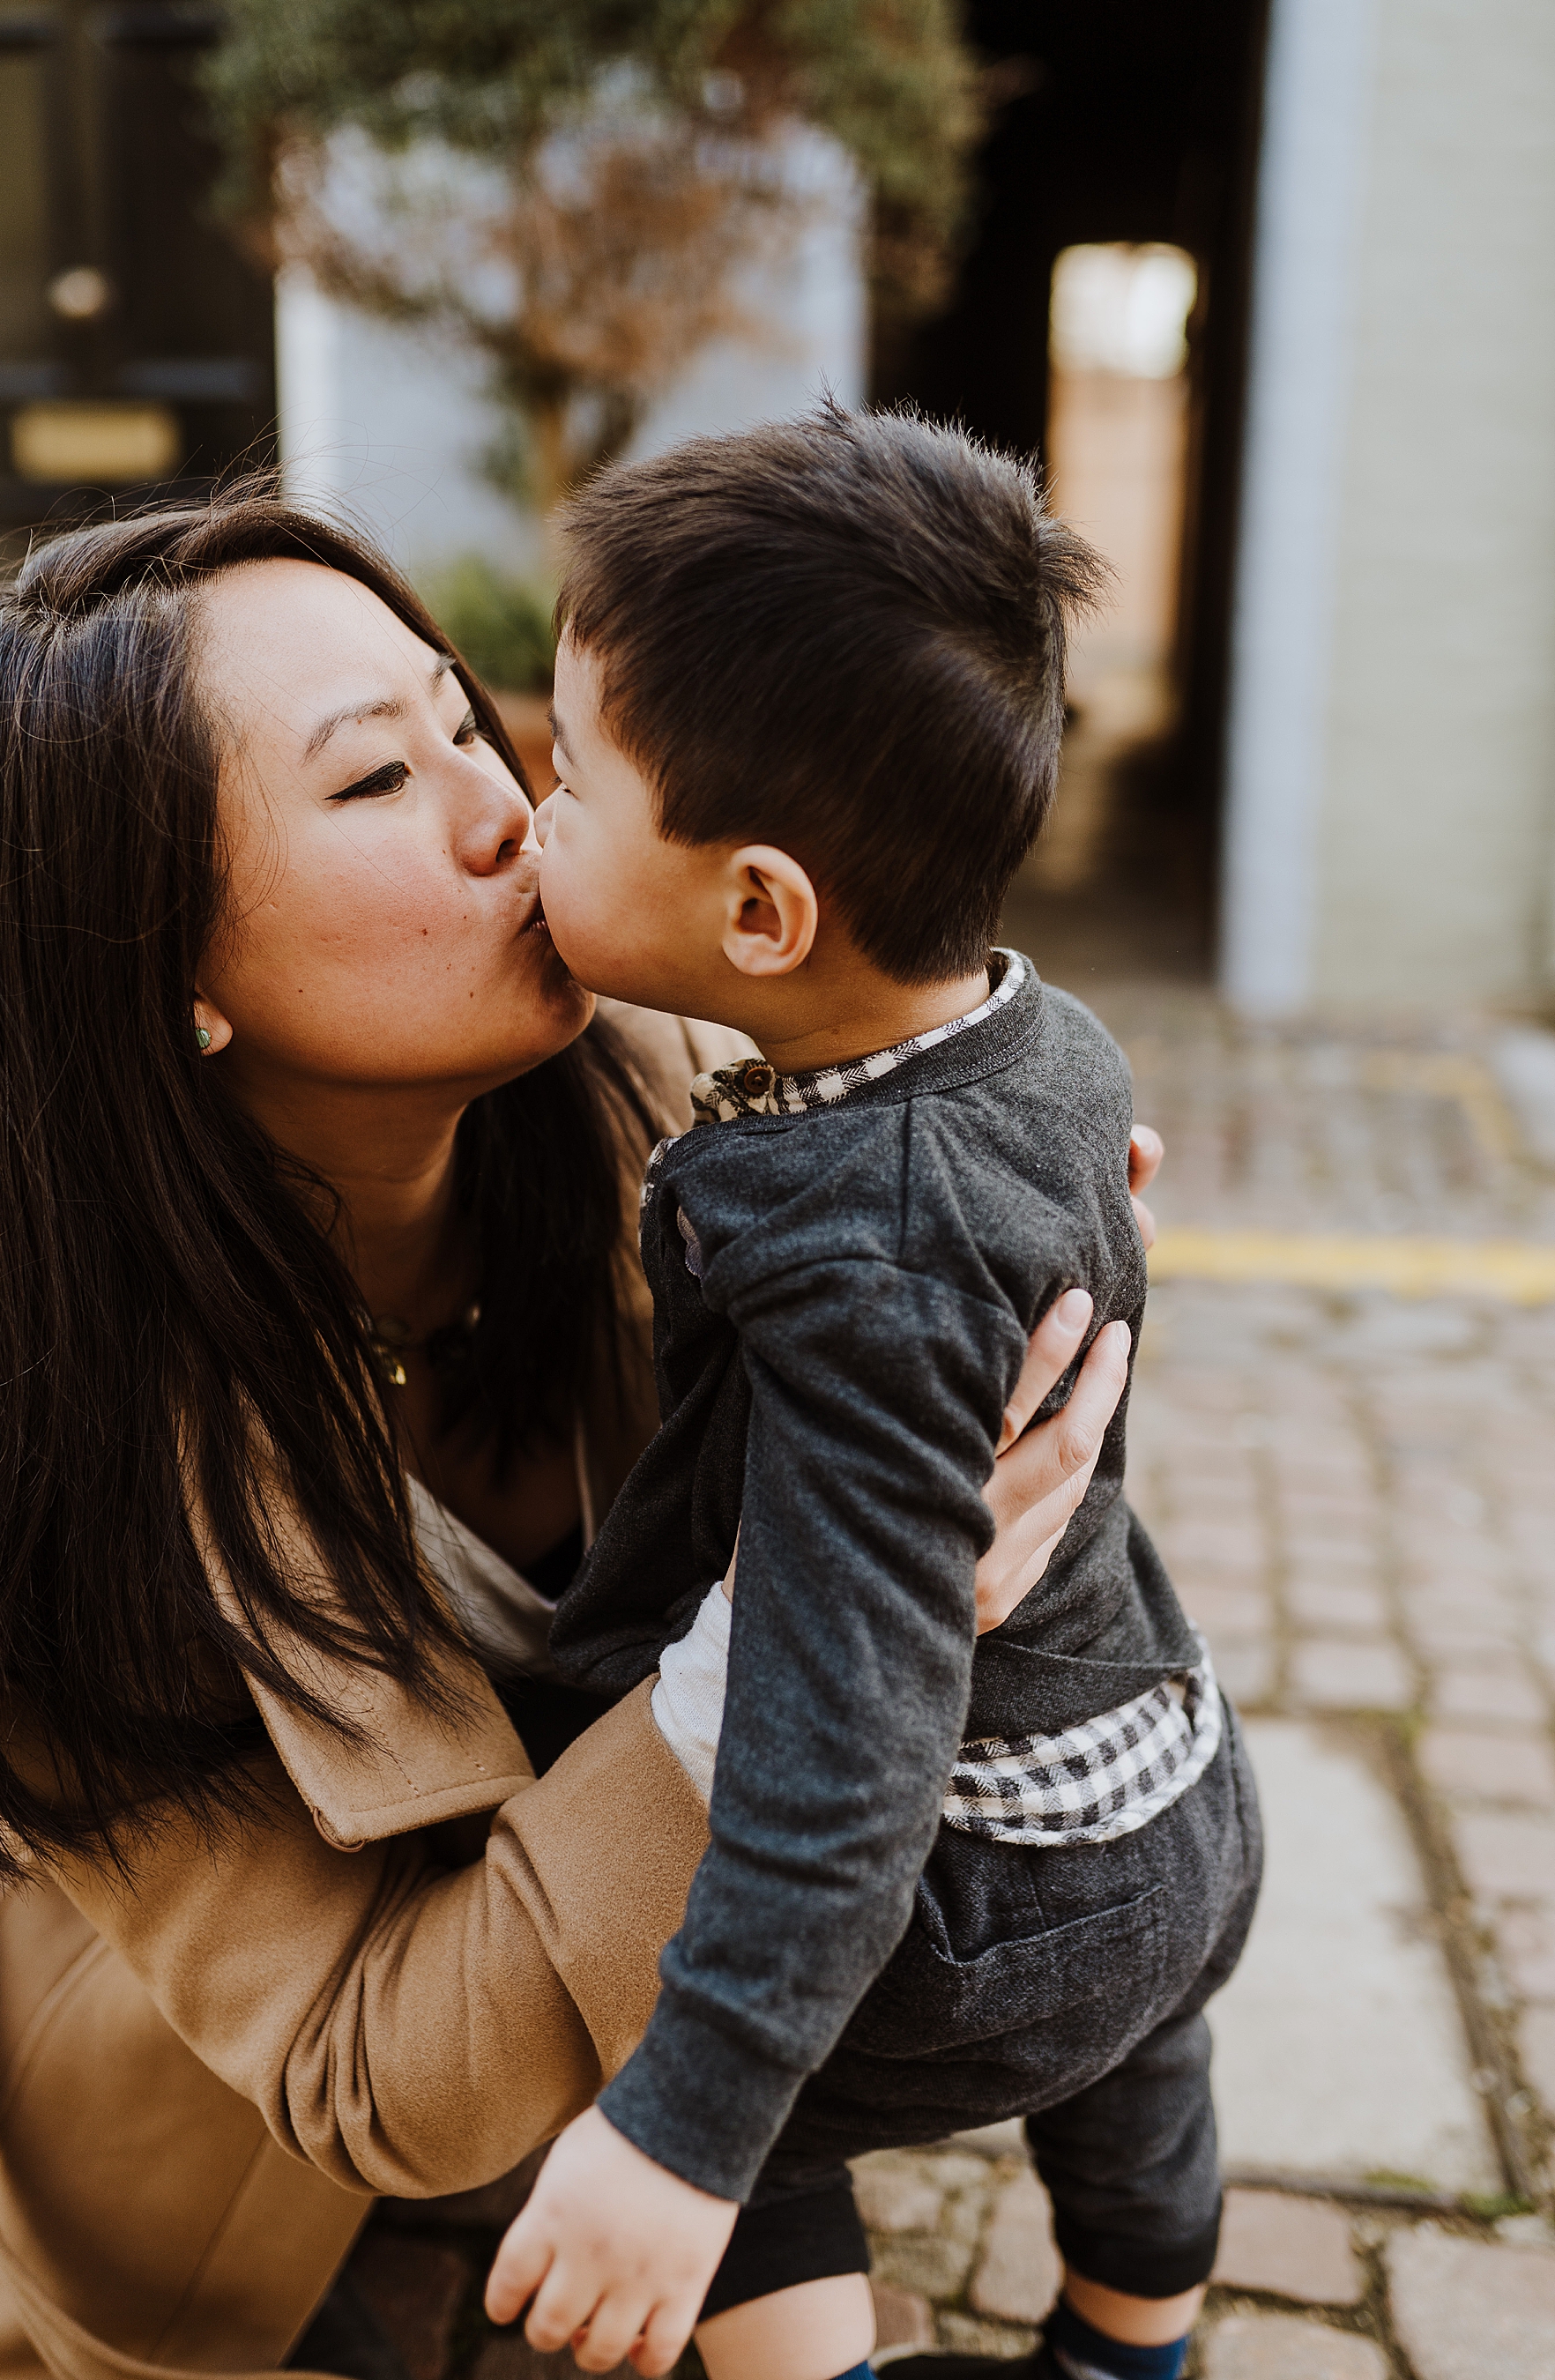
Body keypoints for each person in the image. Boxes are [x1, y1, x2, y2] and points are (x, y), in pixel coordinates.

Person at [0, 487, 1150, 2380]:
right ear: (158, 976)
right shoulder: (39, 1446)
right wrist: (809, 1632)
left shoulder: (673, 1087)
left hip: (631, 1990)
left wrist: (1012, 1230)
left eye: (465, 715)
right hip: (254, 2176)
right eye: (372, 784)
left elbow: (937, 1063)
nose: (504, 809)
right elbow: (377, 2076)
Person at [486, 408, 1262, 2380]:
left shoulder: (861, 1257)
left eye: (570, 782)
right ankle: (1131, 2340)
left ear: (758, 916)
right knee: (1137, 2061)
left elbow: (850, 1742)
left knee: (722, 2094)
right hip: (1168, 1783)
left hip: (974, 1900)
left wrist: (681, 2128)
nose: (527, 810)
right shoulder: (1042, 1035)